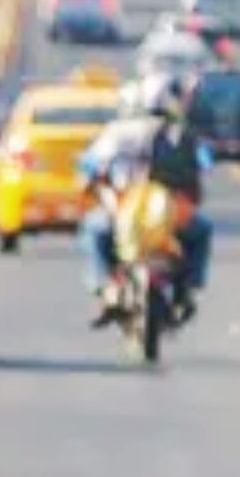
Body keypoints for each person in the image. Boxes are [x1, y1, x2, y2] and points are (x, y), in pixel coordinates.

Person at [77, 71, 214, 326]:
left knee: (95, 230)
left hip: (124, 211)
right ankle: (189, 289)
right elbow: (205, 163)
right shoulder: (182, 134)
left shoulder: (117, 132)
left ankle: (106, 288)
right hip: (171, 215)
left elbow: (90, 164)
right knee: (202, 230)